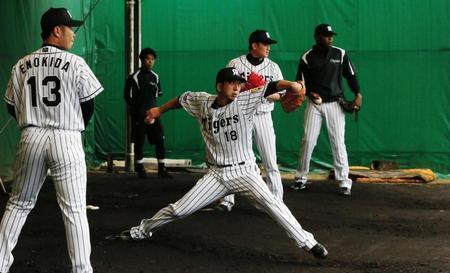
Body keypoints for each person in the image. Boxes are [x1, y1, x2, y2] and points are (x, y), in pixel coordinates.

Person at [107, 67, 328, 259]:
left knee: (273, 204)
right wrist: (158, 110)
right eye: (232, 83)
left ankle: (309, 243)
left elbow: (270, 86)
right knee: (179, 210)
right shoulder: (202, 101)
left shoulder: (245, 99)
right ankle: (142, 230)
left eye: (239, 83)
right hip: (215, 176)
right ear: (219, 86)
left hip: (244, 172)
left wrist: (292, 85)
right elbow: (182, 99)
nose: (237, 87)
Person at [0, 7, 103, 273]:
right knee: (75, 210)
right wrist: (71, 126)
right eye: (70, 28)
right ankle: (81, 270)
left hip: (30, 135)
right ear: (56, 31)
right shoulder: (76, 63)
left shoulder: (21, 64)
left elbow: (12, 107)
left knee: (19, 204)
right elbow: (88, 104)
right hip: (66, 138)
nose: (74, 34)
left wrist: (32, 119)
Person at [290, 24, 362, 196]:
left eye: (331, 35)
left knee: (338, 142)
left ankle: (344, 182)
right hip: (315, 104)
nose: (330, 38)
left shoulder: (340, 53)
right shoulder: (307, 57)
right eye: (326, 35)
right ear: (317, 37)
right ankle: (300, 178)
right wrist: (308, 93)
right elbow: (300, 83)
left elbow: (350, 76)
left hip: (335, 104)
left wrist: (358, 94)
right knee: (308, 140)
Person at [218, 29, 284, 212]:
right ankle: (226, 200)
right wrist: (246, 89)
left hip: (263, 115)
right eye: (265, 44)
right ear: (254, 45)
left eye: (269, 44)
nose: (268, 47)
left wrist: (263, 90)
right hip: (239, 117)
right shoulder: (235, 63)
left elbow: (280, 95)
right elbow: (225, 88)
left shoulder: (273, 67)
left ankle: (276, 200)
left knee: (270, 160)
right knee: (231, 159)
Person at [124, 48, 172, 179]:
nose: (150, 62)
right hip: (139, 116)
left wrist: (154, 112)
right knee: (139, 143)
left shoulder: (155, 77)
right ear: (142, 60)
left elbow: (155, 97)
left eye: (152, 59)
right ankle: (140, 169)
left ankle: (162, 169)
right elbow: (128, 97)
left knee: (160, 141)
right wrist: (138, 114)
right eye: (147, 59)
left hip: (154, 115)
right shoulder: (133, 77)